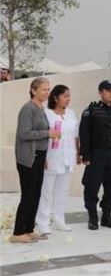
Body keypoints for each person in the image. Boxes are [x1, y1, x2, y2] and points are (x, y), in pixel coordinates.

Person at [11, 78, 60, 243]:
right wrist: (48, 133)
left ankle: (29, 229)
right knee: (28, 195)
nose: (47, 92)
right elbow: (24, 134)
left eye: (48, 89)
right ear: (33, 90)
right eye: (44, 89)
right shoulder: (28, 109)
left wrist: (44, 156)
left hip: (39, 157)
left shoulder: (42, 108)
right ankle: (18, 232)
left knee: (36, 194)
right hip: (28, 159)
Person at [79, 80, 111, 230]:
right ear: (100, 92)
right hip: (96, 154)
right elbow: (83, 133)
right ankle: (92, 217)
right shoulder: (91, 110)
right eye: (108, 90)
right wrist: (85, 155)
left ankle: (107, 216)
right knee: (92, 187)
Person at [35, 84, 79, 235]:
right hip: (51, 157)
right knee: (46, 191)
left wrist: (78, 153)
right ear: (55, 97)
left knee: (62, 191)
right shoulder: (46, 114)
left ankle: (59, 219)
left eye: (69, 96)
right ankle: (42, 222)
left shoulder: (71, 113)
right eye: (65, 96)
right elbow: (41, 135)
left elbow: (75, 136)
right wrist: (42, 156)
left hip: (68, 157)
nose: (68, 99)